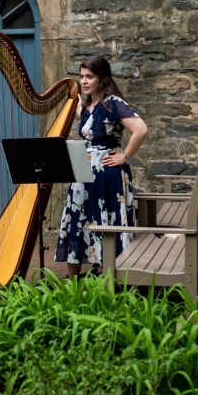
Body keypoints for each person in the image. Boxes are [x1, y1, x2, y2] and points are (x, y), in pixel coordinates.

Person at [54, 55, 148, 279]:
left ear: (101, 78)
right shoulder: (90, 104)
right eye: (82, 76)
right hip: (83, 173)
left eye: (90, 77)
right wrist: (77, 106)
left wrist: (124, 156)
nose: (84, 81)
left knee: (106, 219)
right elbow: (90, 127)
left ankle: (113, 277)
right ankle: (73, 282)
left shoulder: (113, 102)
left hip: (107, 174)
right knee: (77, 217)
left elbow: (141, 129)